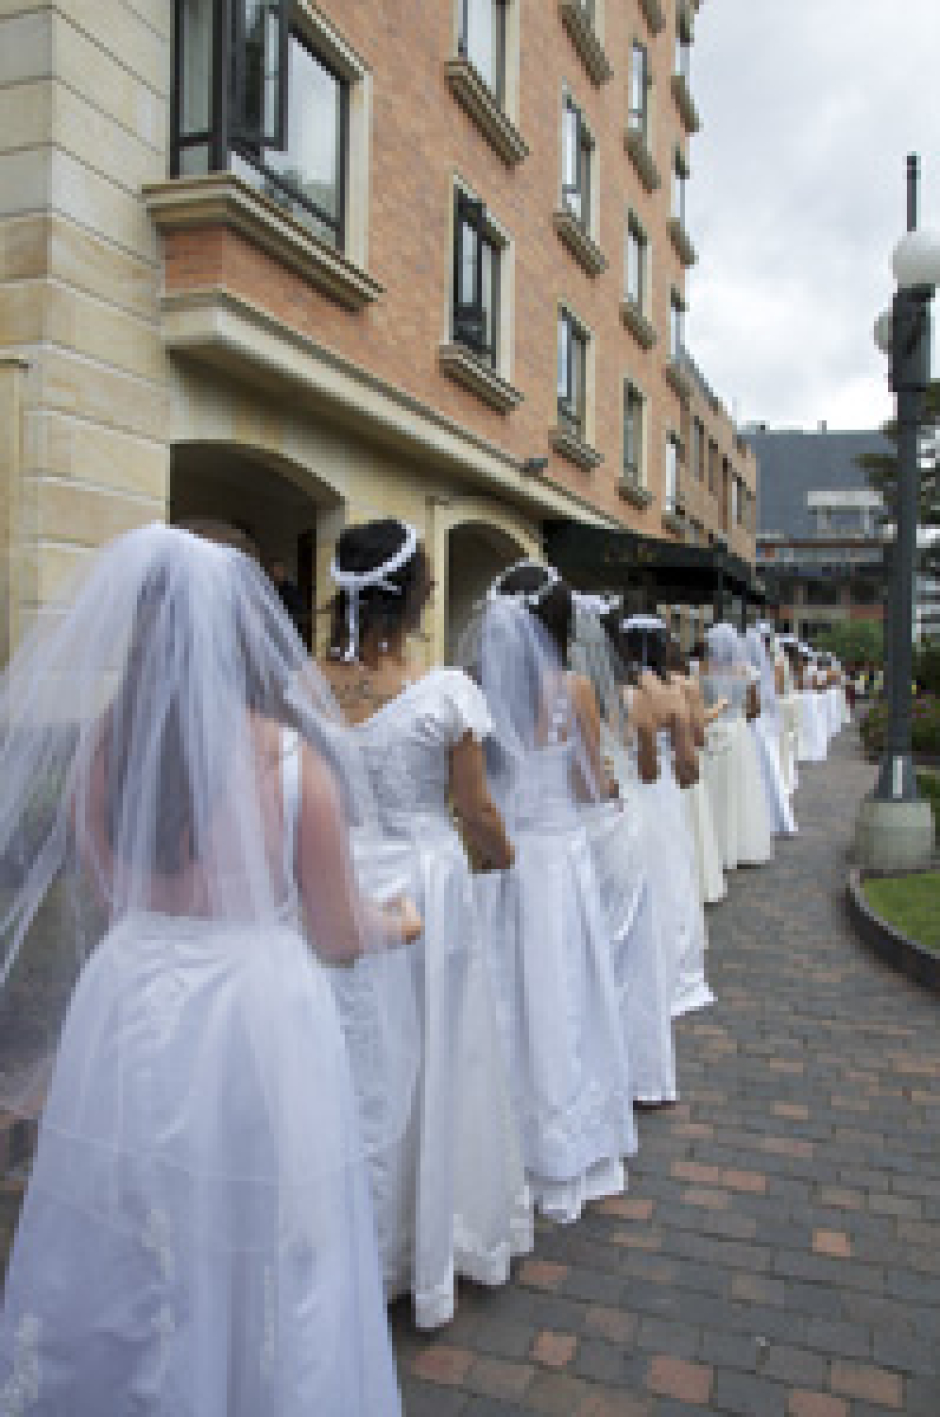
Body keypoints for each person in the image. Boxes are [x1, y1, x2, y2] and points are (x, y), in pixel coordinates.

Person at [0, 525, 419, 1416]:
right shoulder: (295, 761)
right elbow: (340, 930)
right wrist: (404, 919)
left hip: (131, 994)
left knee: (129, 1212)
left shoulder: (103, 749)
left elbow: (109, 890)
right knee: (262, 1230)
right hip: (254, 1017)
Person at [320, 519, 531, 1330]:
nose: (437, 594)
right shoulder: (447, 694)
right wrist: (508, 857)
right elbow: (478, 811)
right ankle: (424, 1241)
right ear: (406, 596)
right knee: (436, 1048)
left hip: (337, 876)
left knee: (360, 1054)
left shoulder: (308, 684)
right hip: (427, 885)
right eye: (430, 582)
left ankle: (358, 1238)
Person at [470, 563, 635, 1222]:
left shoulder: (480, 692)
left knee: (504, 991)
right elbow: (588, 778)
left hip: (502, 855)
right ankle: (562, 1142)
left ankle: (499, 1137)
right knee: (562, 994)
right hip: (558, 856)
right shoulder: (574, 690)